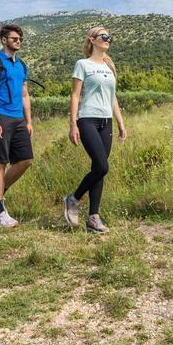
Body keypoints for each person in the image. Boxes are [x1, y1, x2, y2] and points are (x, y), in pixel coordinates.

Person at [63, 27, 127, 233]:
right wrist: (73, 123)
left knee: (98, 170)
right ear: (92, 39)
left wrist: (120, 123)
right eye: (104, 36)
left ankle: (93, 218)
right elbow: (75, 95)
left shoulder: (109, 66)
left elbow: (113, 98)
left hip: (105, 121)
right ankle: (73, 199)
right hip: (87, 119)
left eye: (110, 37)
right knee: (102, 166)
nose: (108, 39)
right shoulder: (82, 64)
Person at [0, 23, 34, 228]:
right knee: (0, 164)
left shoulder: (22, 65)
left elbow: (24, 95)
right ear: (4, 40)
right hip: (0, 117)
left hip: (18, 118)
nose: (18, 41)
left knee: (26, 160)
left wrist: (28, 121)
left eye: (20, 39)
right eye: (14, 39)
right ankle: (0, 212)